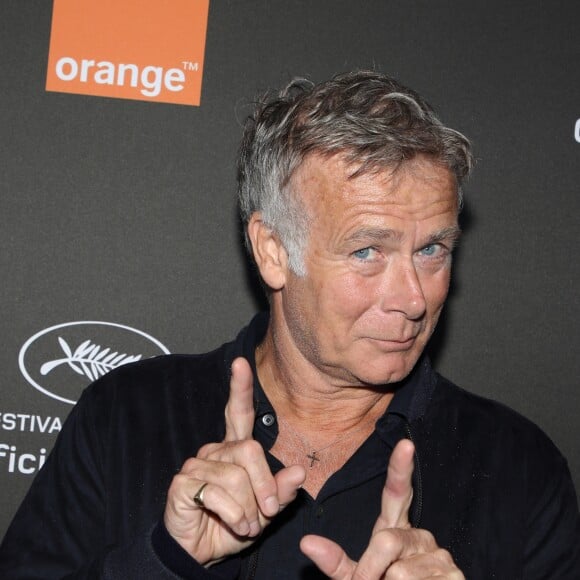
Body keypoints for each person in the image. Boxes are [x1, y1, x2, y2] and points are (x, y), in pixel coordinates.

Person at [0, 71, 578, 579]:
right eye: (366, 251)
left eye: (431, 250)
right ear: (273, 251)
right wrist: (165, 561)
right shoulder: (125, 419)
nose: (413, 297)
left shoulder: (518, 468)